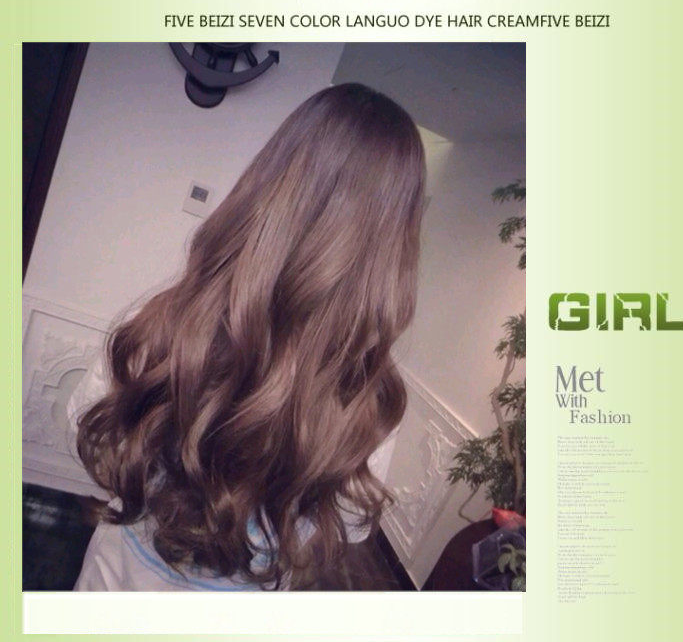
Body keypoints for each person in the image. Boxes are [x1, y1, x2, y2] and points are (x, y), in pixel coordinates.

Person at [67, 82, 426, 591]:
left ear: (268, 184)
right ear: (395, 244)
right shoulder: (368, 402)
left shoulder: (163, 327)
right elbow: (347, 527)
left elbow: (87, 430)